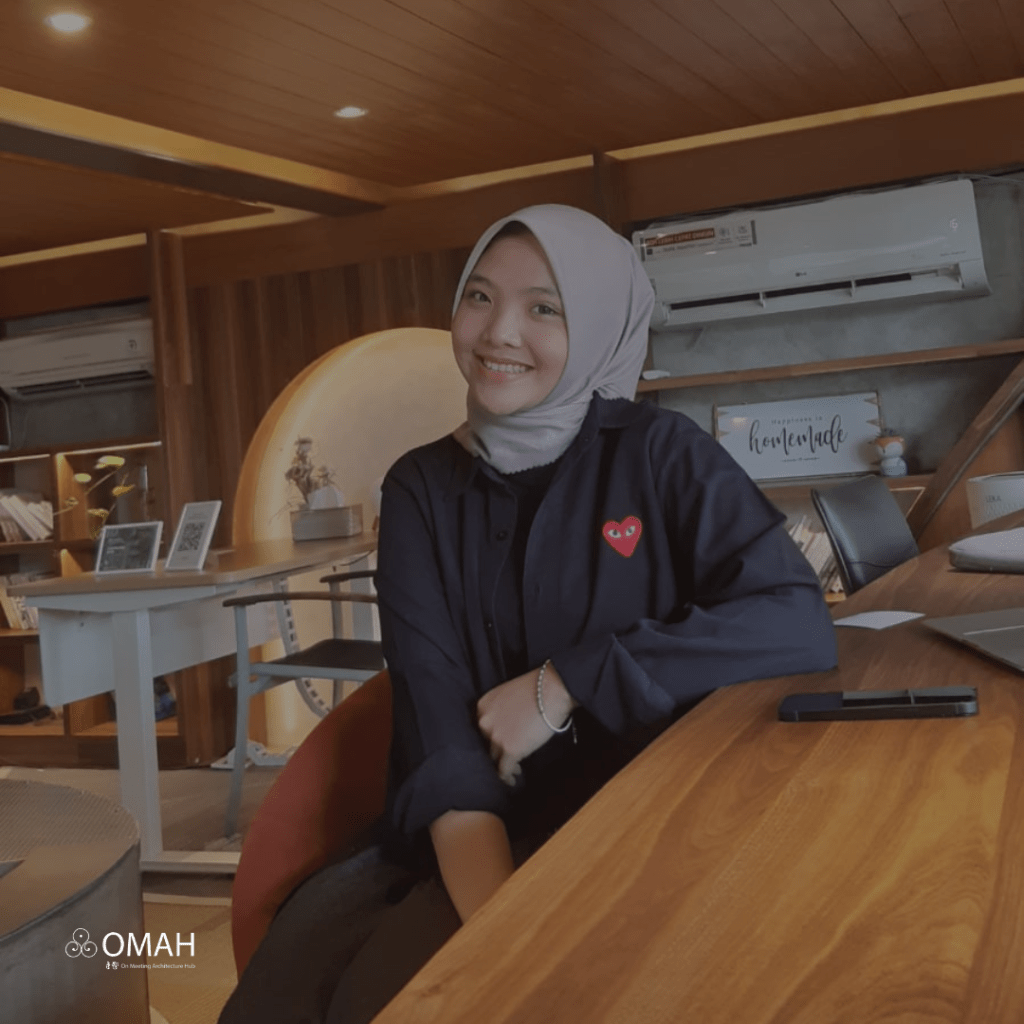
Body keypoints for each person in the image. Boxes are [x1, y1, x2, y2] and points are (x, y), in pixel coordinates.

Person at [219, 204, 837, 1024]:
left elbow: (793, 618)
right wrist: (509, 933)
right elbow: (438, 724)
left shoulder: (660, 452)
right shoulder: (419, 489)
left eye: (545, 308)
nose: (498, 332)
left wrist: (566, 682)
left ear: (601, 327)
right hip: (476, 833)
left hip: (656, 818)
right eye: (479, 297)